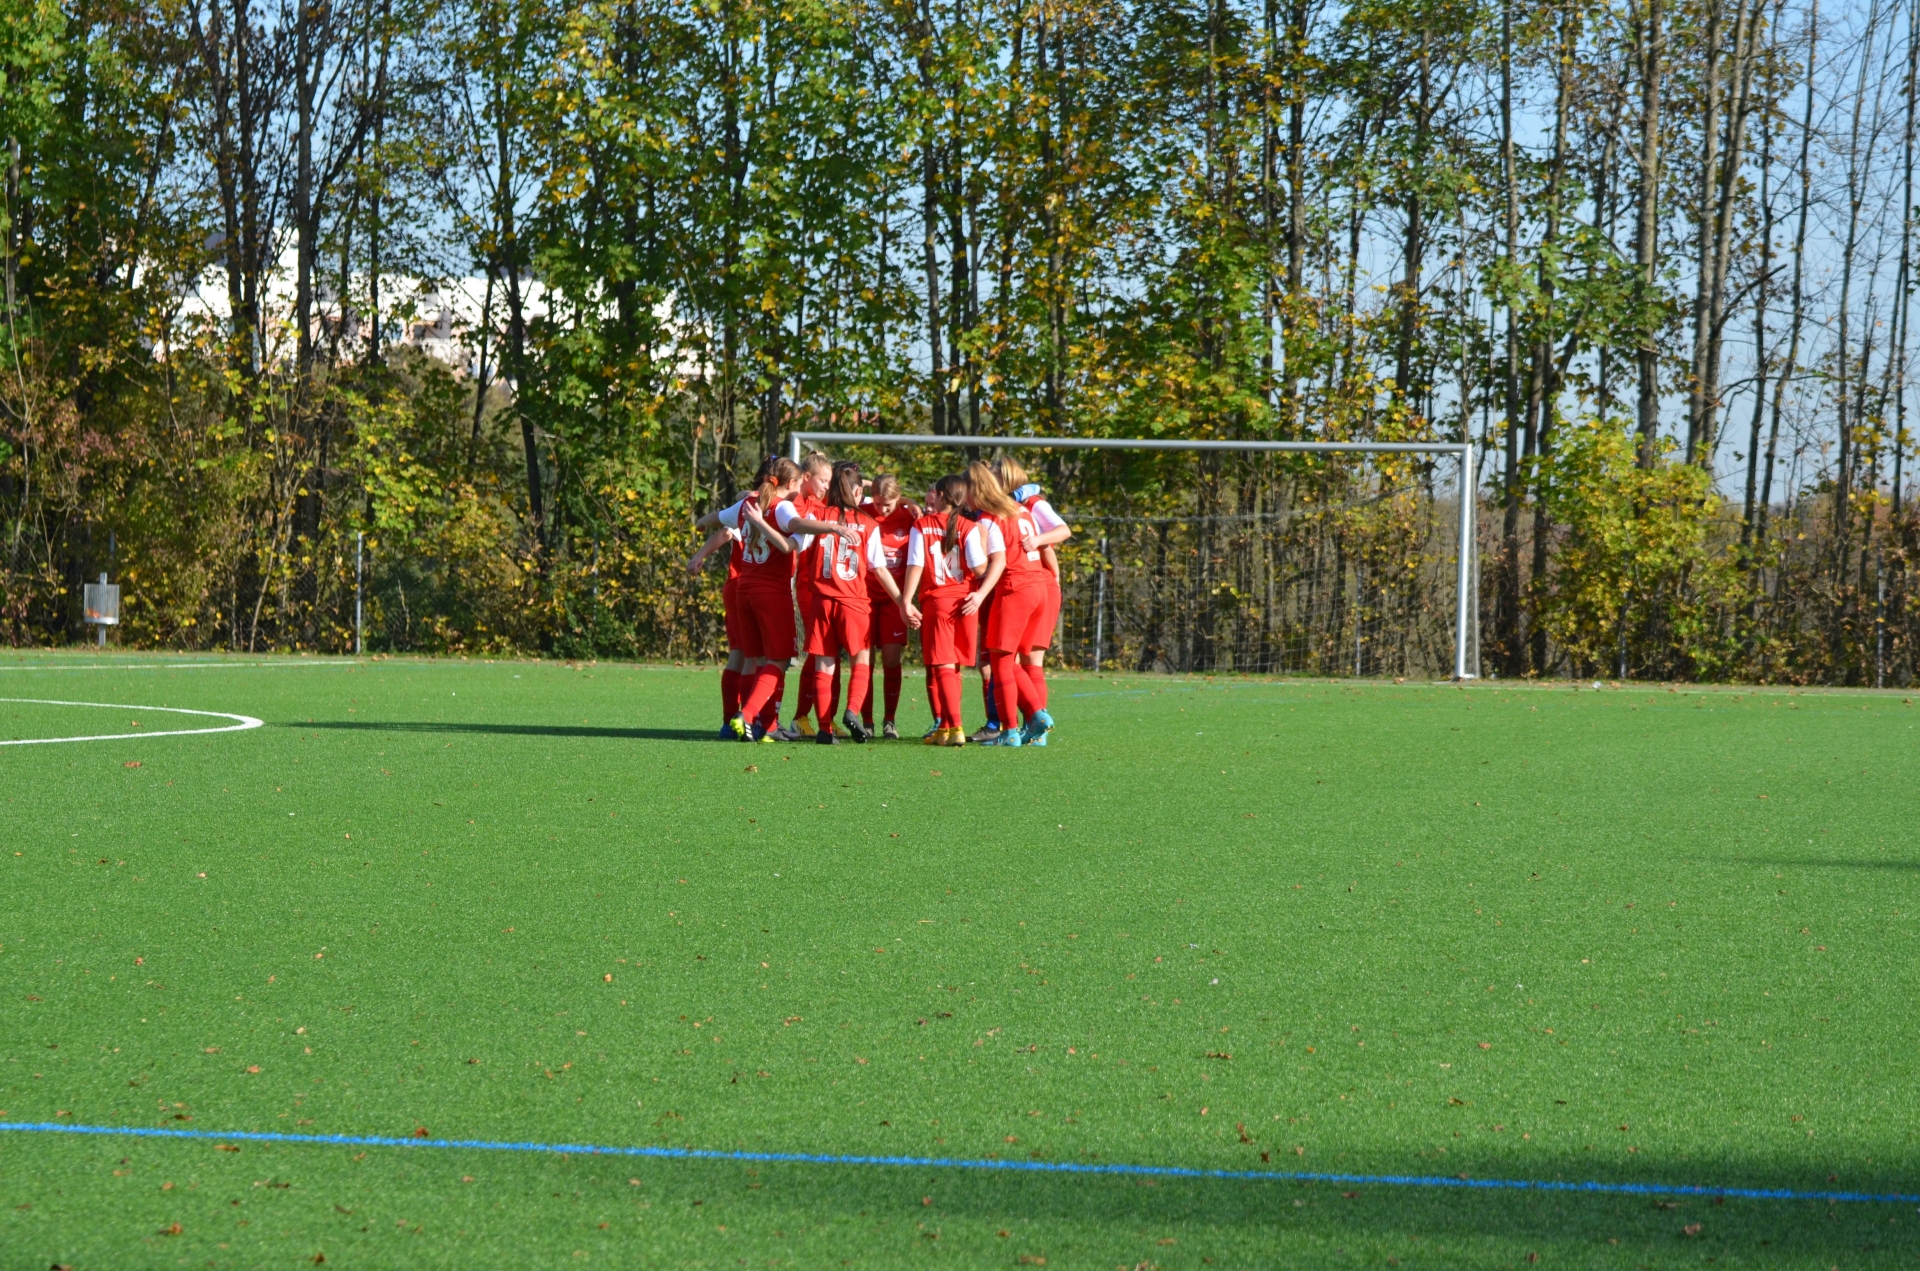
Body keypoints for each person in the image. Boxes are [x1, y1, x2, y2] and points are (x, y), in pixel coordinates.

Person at [698, 457, 860, 742]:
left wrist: (701, 522)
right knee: (779, 659)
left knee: (754, 660)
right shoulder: (783, 507)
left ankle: (758, 725)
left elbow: (718, 518)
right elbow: (794, 525)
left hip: (744, 590)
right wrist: (832, 527)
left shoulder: (748, 503)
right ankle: (747, 716)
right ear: (794, 483)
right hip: (771, 592)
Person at [797, 461, 907, 744]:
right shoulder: (868, 524)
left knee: (824, 666)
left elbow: (795, 546)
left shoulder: (817, 517)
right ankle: (852, 710)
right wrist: (902, 602)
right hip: (853, 602)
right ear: (858, 492)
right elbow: (879, 569)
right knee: (861, 659)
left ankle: (824, 728)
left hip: (822, 601)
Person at [902, 474, 1000, 746]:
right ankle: (945, 727)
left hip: (939, 602)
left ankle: (956, 727)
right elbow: (979, 569)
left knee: (943, 665)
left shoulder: (922, 525)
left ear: (941, 495)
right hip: (965, 603)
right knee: (952, 667)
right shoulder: (969, 527)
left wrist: (906, 600)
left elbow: (915, 565)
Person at [966, 461, 1051, 747]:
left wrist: (979, 590)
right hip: (1038, 586)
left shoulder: (989, 519)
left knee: (1001, 661)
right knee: (1018, 661)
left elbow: (991, 563)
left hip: (1015, 589)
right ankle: (1035, 719)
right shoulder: (1021, 510)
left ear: (976, 490)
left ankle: (1013, 729)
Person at [993, 457, 1072, 744]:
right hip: (1037, 582)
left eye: (994, 477)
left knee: (1021, 659)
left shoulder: (1031, 503)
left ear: (1006, 479)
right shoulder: (1012, 505)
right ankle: (1034, 728)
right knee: (1026, 660)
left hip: (1033, 582)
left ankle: (1033, 722)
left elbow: (1062, 531)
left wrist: (1039, 544)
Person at [859, 474, 917, 739]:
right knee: (865, 660)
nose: (882, 510)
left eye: (888, 505)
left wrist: (909, 503)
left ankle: (890, 720)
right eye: (878, 504)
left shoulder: (908, 516)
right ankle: (867, 721)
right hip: (865, 596)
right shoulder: (862, 512)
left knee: (892, 658)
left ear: (898, 499)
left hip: (896, 599)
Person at [787, 452, 836, 737]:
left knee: (825, 653)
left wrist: (905, 502)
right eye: (823, 480)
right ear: (806, 477)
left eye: (830, 481)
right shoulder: (792, 501)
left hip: (823, 586)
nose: (826, 487)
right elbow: (756, 494)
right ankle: (800, 717)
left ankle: (822, 717)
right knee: (818, 652)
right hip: (805, 585)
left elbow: (853, 491)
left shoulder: (819, 502)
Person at [686, 522, 744, 737]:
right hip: (751, 587)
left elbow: (723, 529)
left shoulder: (747, 507)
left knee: (743, 656)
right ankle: (755, 721)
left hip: (742, 587)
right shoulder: (767, 508)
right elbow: (725, 531)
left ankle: (733, 723)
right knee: (758, 659)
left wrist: (698, 554)